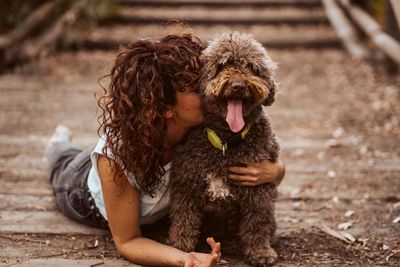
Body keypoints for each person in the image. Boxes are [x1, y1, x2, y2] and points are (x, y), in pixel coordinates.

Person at [45, 33, 286, 267]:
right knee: (61, 159)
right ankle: (57, 142)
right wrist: (185, 258)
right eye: (194, 89)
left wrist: (276, 172)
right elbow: (128, 241)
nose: (203, 90)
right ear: (166, 107)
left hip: (142, 143)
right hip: (79, 188)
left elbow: (264, 158)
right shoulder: (116, 158)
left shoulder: (213, 121)